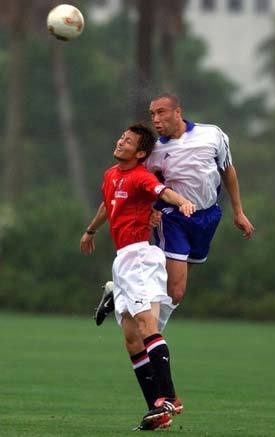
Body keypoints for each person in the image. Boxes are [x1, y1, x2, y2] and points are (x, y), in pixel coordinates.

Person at [94, 93, 254, 329]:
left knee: (169, 285)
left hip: (207, 216)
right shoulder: (154, 151)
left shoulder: (213, 135)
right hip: (173, 217)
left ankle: (118, 292)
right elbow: (138, 183)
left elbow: (227, 170)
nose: (155, 119)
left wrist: (238, 212)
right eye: (152, 114)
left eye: (161, 112)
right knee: (176, 292)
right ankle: (152, 338)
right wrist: (150, 211)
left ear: (177, 112)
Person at [80, 123, 196, 430]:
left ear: (141, 152)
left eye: (128, 141)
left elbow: (163, 191)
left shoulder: (141, 176)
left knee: (148, 326)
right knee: (132, 340)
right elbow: (109, 203)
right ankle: (156, 412)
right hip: (123, 262)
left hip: (142, 258)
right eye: (121, 137)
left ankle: (170, 397)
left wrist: (181, 201)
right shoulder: (110, 174)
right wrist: (91, 230)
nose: (120, 142)